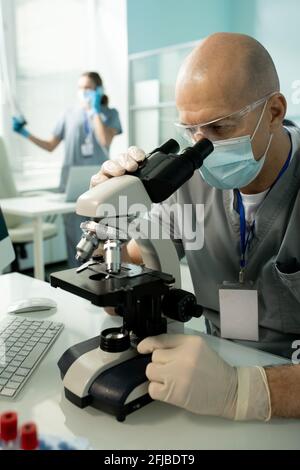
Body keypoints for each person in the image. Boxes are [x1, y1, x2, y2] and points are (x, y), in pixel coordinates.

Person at [90, 33, 300, 421]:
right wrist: (112, 217)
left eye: (219, 128)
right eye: (191, 131)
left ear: (273, 112)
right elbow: (124, 270)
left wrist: (241, 391)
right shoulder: (189, 182)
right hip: (209, 372)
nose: (202, 149)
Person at [12, 72, 122, 266]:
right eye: (80, 87)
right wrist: (25, 133)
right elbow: (50, 145)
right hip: (71, 187)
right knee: (75, 240)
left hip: (101, 185)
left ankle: (103, 281)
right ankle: (76, 284)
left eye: (88, 87)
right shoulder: (68, 115)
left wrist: (95, 111)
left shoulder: (109, 113)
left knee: (102, 237)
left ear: (98, 90)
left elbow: (105, 140)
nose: (83, 91)